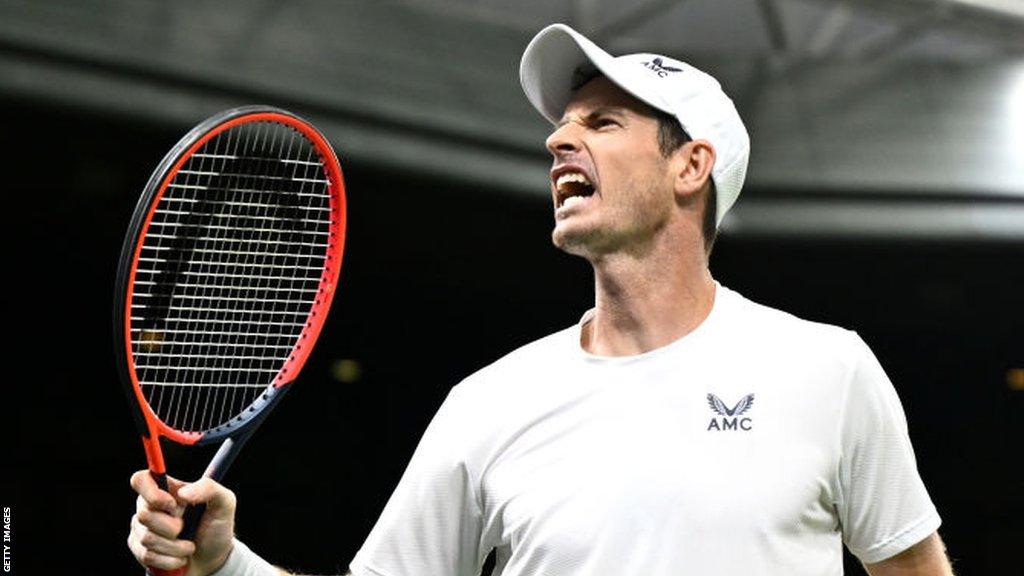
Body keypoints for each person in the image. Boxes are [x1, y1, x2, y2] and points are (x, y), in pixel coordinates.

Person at [128, 23, 955, 576]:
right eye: (564, 125)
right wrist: (225, 562)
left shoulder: (827, 369)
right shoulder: (489, 403)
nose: (559, 138)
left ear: (690, 167)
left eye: (602, 123)